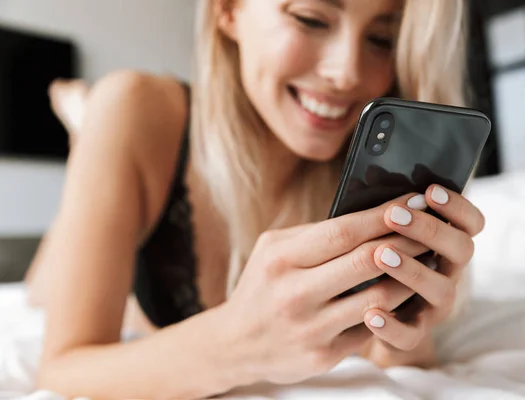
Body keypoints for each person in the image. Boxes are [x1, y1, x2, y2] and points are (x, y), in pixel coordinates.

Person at [30, 0, 485, 398]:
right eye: (310, 19)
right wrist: (238, 346)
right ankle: (83, 127)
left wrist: (407, 325)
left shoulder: (375, 165)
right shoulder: (136, 107)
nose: (346, 73)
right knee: (44, 285)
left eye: (383, 38)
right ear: (227, 9)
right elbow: (61, 370)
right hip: (134, 141)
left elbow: (399, 365)